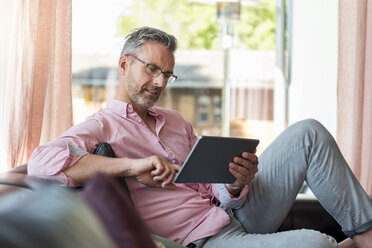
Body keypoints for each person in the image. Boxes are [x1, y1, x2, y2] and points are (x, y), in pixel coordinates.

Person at [28, 26, 372, 248]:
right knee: (318, 244)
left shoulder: (176, 121)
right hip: (205, 239)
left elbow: (214, 189)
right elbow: (42, 164)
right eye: (151, 69)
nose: (160, 83)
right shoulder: (101, 126)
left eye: (167, 74)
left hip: (235, 214)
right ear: (123, 65)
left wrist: (235, 182)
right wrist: (133, 167)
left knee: (308, 131)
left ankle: (366, 232)